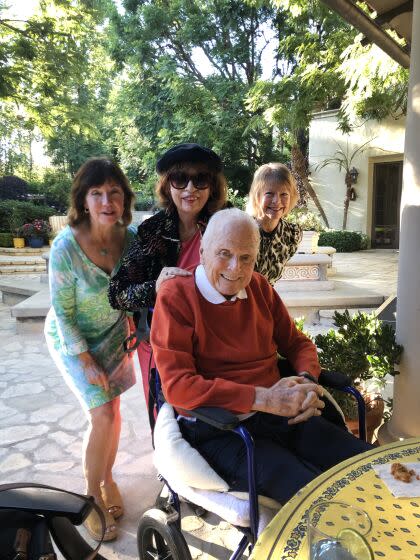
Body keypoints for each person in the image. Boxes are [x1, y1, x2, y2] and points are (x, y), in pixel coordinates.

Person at [150, 208, 373, 504]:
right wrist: (264, 398)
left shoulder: (259, 286)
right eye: (224, 254)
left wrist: (306, 380)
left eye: (246, 257)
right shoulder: (177, 296)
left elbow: (298, 344)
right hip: (221, 429)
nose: (236, 268)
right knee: (315, 497)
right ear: (202, 250)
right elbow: (178, 387)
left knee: (366, 468)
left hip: (280, 414)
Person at [44, 157, 137, 542]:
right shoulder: (65, 246)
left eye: (114, 192)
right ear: (83, 200)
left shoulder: (130, 240)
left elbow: (136, 290)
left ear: (124, 198)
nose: (106, 201)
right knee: (100, 414)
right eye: (96, 193)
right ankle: (88, 499)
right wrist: (84, 359)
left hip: (113, 335)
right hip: (73, 341)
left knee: (113, 412)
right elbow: (63, 314)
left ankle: (108, 478)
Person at [108, 143, 227, 396]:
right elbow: (117, 292)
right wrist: (156, 287)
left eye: (201, 179)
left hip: (214, 343)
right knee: (164, 421)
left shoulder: (224, 225)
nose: (190, 188)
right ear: (167, 184)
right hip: (160, 344)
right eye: (180, 179)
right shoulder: (153, 231)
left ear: (213, 185)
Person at [247, 163, 302, 284]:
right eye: (269, 194)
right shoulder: (241, 229)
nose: (277, 201)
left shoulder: (293, 234)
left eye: (284, 194)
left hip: (266, 300)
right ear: (257, 196)